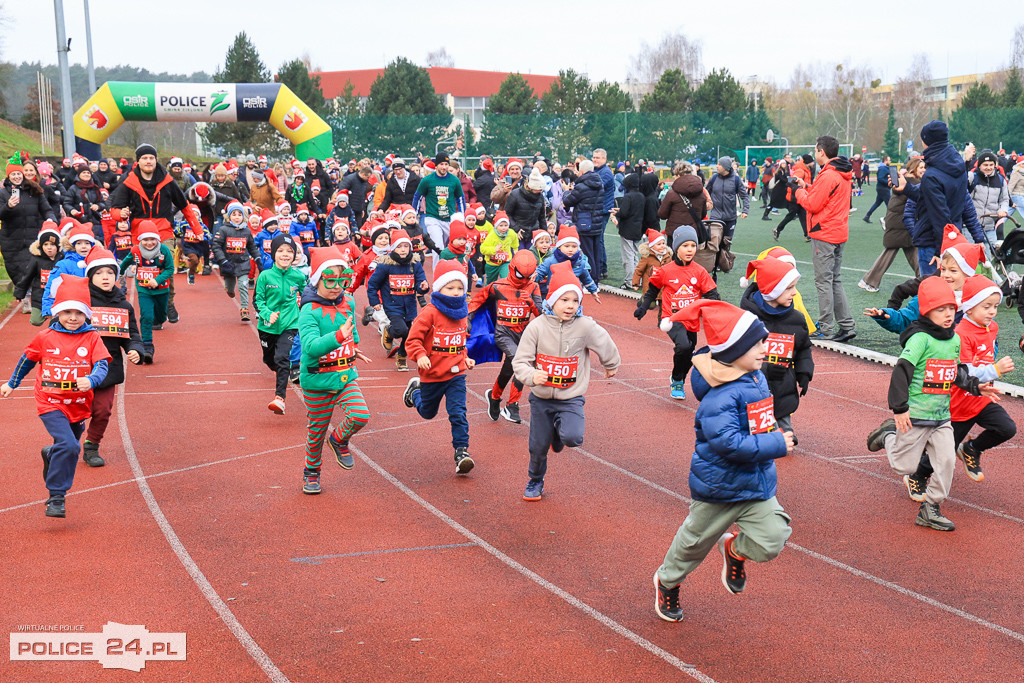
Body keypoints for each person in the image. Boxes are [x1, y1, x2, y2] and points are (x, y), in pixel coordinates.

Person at [652, 300, 793, 622]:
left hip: (755, 483)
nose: (764, 349)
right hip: (719, 487)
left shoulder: (755, 378)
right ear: (733, 351)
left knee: (773, 537)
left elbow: (759, 422)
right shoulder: (720, 397)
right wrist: (775, 442)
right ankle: (668, 581)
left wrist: (772, 430)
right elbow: (727, 443)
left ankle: (734, 550)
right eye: (756, 344)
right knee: (692, 545)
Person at [865, 277, 997, 531]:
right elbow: (902, 371)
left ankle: (931, 508)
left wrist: (975, 386)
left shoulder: (954, 339)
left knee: (947, 461)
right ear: (926, 311)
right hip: (916, 415)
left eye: (951, 309)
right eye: (941, 310)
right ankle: (888, 436)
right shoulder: (920, 340)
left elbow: (955, 371)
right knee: (903, 466)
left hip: (942, 417)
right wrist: (900, 409)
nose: (948, 315)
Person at [1, 274, 110, 518]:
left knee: (66, 448)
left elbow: (102, 365)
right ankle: (56, 497)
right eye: (67, 312)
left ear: (86, 315)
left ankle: (51, 453)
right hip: (50, 402)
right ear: (57, 312)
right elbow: (27, 360)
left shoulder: (92, 337)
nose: (73, 317)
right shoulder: (45, 337)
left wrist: (92, 380)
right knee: (70, 446)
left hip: (79, 404)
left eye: (79, 313)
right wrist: (12, 383)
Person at [512, 261, 620, 501]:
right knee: (537, 446)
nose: (570, 306)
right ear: (551, 300)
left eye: (575, 301)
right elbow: (520, 361)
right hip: (541, 398)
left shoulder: (585, 326)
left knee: (573, 438)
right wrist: (531, 376)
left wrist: (611, 364)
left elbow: (604, 342)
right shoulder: (537, 327)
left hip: (570, 396)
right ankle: (535, 480)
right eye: (564, 300)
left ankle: (559, 435)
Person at [298, 247, 371, 495]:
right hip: (317, 380)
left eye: (343, 280)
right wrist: (339, 337)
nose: (337, 286)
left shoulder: (348, 302)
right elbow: (310, 347)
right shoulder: (308, 310)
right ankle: (311, 473)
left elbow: (353, 331)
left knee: (360, 415)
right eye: (330, 280)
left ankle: (338, 440)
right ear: (317, 280)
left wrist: (353, 348)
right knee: (316, 432)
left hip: (345, 376)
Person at [401, 259, 477, 474]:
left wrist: (465, 358)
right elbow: (412, 340)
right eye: (450, 287)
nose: (456, 292)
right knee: (428, 413)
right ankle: (415, 392)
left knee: (458, 412)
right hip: (432, 374)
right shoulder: (430, 312)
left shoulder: (462, 311)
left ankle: (462, 452)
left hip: (456, 373)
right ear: (439, 288)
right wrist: (420, 355)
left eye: (460, 288)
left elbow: (459, 341)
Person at [108, 144, 197, 325]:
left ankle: (169, 303)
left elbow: (184, 206)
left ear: (156, 161)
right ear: (138, 161)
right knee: (146, 272)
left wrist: (198, 230)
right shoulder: (128, 182)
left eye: (151, 158)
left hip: (163, 231)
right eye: (144, 158)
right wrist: (120, 214)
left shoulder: (167, 180)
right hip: (139, 232)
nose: (148, 161)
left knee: (165, 266)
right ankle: (153, 312)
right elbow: (114, 209)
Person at [633, 225, 720, 400]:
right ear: (676, 248)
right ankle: (678, 381)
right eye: (685, 246)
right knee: (684, 346)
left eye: (693, 246)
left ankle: (677, 377)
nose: (689, 250)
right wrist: (644, 306)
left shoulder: (700, 271)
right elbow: (652, 290)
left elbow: (712, 294)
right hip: (671, 318)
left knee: (689, 353)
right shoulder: (666, 270)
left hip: (692, 319)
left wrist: (717, 310)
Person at [894, 121, 985, 276]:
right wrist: (907, 188)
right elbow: (934, 200)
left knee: (934, 289)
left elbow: (939, 216)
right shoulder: (957, 166)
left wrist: (939, 251)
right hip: (952, 237)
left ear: (926, 141)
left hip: (934, 242)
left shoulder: (932, 174)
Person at [81, 247, 144, 467]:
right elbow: (59, 326)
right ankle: (64, 445)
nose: (105, 277)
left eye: (110, 272)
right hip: (79, 368)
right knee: (74, 412)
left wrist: (135, 349)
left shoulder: (123, 305)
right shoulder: (80, 304)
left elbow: (132, 334)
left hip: (108, 368)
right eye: (99, 273)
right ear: (90, 276)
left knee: (102, 410)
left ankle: (91, 446)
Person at [740, 258, 814, 438]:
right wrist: (763, 369)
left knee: (784, 426)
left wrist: (804, 372)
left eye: (794, 287)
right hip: (753, 387)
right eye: (789, 288)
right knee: (758, 432)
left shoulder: (796, 319)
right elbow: (737, 355)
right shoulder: (747, 319)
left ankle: (783, 433)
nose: (794, 293)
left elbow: (804, 348)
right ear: (772, 290)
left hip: (783, 385)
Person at [794, 135, 856, 342]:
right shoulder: (841, 172)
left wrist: (798, 192)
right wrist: (806, 186)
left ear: (822, 151)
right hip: (838, 231)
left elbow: (812, 204)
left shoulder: (828, 174)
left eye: (816, 150)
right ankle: (846, 325)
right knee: (834, 279)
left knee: (824, 282)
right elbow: (826, 196)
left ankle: (827, 327)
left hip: (825, 233)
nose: (814, 153)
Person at [469, 250, 542, 424]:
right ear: (512, 269)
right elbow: (476, 302)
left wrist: (530, 302)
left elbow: (541, 315)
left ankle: (494, 396)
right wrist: (468, 320)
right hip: (503, 333)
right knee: (522, 363)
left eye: (529, 276)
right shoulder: (497, 286)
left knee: (509, 369)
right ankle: (512, 405)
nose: (524, 280)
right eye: (521, 276)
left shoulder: (533, 287)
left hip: (524, 335)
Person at [256, 233, 307, 415]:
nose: (285, 254)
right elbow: (258, 301)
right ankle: (279, 369)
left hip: (290, 324)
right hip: (267, 327)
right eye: (280, 251)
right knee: (270, 360)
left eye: (289, 251)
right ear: (273, 254)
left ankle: (280, 399)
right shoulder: (265, 276)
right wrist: (267, 314)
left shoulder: (299, 276)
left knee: (282, 358)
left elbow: (307, 296)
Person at [368, 229, 429, 371]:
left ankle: (402, 356)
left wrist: (423, 287)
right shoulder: (386, 265)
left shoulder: (415, 263)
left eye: (406, 246)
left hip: (409, 305)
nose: (403, 250)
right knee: (401, 330)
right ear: (393, 248)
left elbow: (420, 282)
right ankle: (389, 331)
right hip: (392, 304)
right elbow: (373, 284)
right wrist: (375, 301)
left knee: (410, 333)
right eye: (399, 246)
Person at [858, 157, 923, 292]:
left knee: (912, 250)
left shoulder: (905, 180)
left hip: (898, 221)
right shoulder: (914, 183)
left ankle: (924, 279)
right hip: (901, 223)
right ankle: (869, 281)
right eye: (921, 167)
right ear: (913, 169)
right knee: (891, 251)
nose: (924, 170)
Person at [2, 155, 56, 310]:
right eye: (13, 174)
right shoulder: (2, 193)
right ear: (8, 176)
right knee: (15, 269)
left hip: (32, 237)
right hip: (11, 239)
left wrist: (51, 219)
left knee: (31, 268)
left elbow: (46, 209)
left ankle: (31, 299)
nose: (16, 177)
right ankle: (25, 297)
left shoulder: (35, 190)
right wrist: (8, 207)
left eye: (19, 173)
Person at [118, 222, 173, 363]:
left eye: (152, 239)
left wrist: (158, 280)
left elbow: (170, 269)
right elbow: (125, 262)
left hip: (161, 290)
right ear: (140, 240)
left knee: (161, 315)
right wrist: (118, 272)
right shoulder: (135, 250)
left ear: (157, 239)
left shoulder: (164, 250)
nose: (149, 243)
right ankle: (147, 347)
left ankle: (159, 320)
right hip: (144, 289)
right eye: (145, 240)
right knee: (146, 316)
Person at [212, 201, 262, 322]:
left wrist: (257, 258)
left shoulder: (247, 231)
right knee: (230, 288)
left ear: (243, 217)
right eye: (234, 214)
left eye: (239, 214)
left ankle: (244, 309)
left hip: (242, 263)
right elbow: (216, 246)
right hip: (228, 264)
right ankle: (229, 290)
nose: (237, 217)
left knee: (243, 285)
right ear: (229, 216)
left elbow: (252, 247)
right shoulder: (223, 230)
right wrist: (223, 261)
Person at [412, 153, 465, 260]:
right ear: (436, 165)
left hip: (449, 219)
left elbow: (460, 198)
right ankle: (437, 270)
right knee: (438, 247)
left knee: (453, 247)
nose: (444, 167)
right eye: (441, 164)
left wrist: (462, 217)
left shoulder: (454, 180)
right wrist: (414, 215)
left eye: (446, 164)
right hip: (433, 218)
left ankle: (454, 269)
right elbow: (417, 197)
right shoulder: (427, 180)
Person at [560, 160, 605, 283]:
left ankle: (590, 280)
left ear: (581, 171)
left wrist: (566, 191)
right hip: (597, 222)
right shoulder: (600, 184)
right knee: (596, 253)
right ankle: (596, 279)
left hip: (584, 223)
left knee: (587, 253)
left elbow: (568, 201)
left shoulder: (581, 186)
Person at [41, 222, 97, 317]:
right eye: (79, 243)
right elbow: (52, 288)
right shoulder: (64, 265)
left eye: (87, 243)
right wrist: (48, 309)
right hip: (70, 309)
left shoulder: (96, 263)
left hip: (93, 310)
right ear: (73, 246)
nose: (83, 246)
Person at [534, 225, 600, 302]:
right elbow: (539, 273)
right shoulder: (551, 261)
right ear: (559, 246)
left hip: (574, 297)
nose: (570, 249)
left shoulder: (580, 262)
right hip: (555, 296)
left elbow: (586, 278)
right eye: (567, 246)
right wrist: (532, 277)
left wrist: (593, 290)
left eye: (574, 247)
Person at [15, 221, 62, 326]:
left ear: (58, 246)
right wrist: (20, 293)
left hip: (58, 297)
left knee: (56, 322)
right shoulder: (36, 260)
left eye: (52, 244)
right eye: (45, 244)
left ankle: (53, 326)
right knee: (35, 321)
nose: (49, 247)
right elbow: (27, 276)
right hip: (39, 297)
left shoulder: (62, 259)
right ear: (40, 246)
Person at [968, 149, 1010, 247]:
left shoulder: (1000, 180)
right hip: (971, 227)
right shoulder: (972, 177)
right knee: (972, 253)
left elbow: (1004, 199)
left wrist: (1003, 210)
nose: (988, 167)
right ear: (979, 165)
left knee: (990, 254)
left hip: (990, 227)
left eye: (991, 165)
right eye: (985, 165)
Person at [657, 162, 707, 240]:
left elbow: (662, 214)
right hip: (693, 233)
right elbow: (703, 214)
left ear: (678, 176)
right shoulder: (701, 193)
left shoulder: (672, 194)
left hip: (675, 233)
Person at [612, 173, 645, 290]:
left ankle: (630, 281)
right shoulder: (641, 196)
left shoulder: (628, 196)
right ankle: (637, 280)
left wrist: (617, 213)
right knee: (635, 255)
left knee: (628, 257)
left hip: (627, 229)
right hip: (638, 228)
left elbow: (624, 213)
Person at [706, 155, 749, 239]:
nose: (717, 166)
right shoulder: (714, 178)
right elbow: (706, 194)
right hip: (715, 217)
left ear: (725, 167)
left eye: (719, 164)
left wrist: (745, 210)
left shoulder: (736, 180)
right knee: (714, 242)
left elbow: (744, 196)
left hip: (730, 218)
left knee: (726, 242)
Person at [772, 155, 814, 241]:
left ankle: (807, 235)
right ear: (808, 162)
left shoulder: (805, 170)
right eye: (812, 161)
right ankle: (777, 229)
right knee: (792, 215)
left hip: (799, 197)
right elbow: (791, 182)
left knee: (802, 215)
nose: (813, 163)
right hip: (795, 197)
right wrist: (798, 191)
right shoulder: (800, 171)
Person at [504, 168, 547, 248]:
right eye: (538, 189)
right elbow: (507, 214)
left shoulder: (540, 197)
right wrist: (516, 229)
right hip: (518, 233)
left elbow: (542, 217)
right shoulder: (515, 195)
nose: (540, 191)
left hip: (533, 233)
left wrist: (544, 233)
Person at [592, 148, 616, 280]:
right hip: (598, 208)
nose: (595, 160)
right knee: (597, 238)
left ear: (604, 159)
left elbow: (596, 185)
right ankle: (601, 268)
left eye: (597, 158)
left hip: (602, 210)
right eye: (594, 157)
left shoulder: (605, 172)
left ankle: (601, 269)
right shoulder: (597, 170)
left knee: (599, 239)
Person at [632, 229, 672, 295]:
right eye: (659, 244)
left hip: (663, 287)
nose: (662, 246)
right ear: (652, 246)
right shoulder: (647, 257)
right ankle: (644, 300)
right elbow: (639, 270)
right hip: (649, 286)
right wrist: (635, 283)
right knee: (650, 301)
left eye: (663, 243)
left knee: (662, 299)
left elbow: (671, 271)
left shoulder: (667, 256)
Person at [864, 155, 891, 223]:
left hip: (881, 188)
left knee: (877, 203)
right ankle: (888, 220)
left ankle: (867, 216)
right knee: (890, 205)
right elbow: (880, 178)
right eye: (889, 160)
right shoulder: (883, 168)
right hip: (883, 189)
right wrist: (888, 182)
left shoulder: (883, 167)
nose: (890, 161)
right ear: (885, 161)